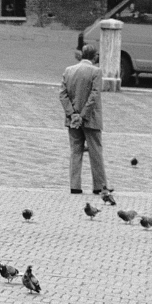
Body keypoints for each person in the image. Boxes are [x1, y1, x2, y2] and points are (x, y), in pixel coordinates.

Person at [59, 44, 112, 195]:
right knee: (96, 152)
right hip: (91, 119)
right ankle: (99, 186)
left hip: (73, 120)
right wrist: (83, 116)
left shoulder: (69, 70)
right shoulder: (96, 71)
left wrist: (72, 114)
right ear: (94, 56)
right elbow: (94, 96)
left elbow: (63, 95)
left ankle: (75, 185)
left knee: (75, 151)